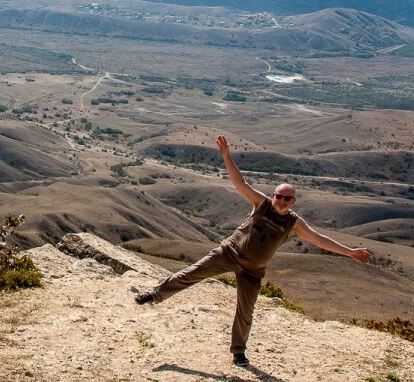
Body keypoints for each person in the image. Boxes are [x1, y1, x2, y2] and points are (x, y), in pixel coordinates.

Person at [135, 135, 373, 367]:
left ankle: (238, 352)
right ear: (273, 196)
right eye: (279, 196)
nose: (281, 201)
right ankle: (154, 294)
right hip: (229, 252)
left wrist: (350, 252)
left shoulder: (294, 223)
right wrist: (227, 157)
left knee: (245, 311)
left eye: (286, 198)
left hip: (253, 270)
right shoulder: (262, 204)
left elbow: (320, 240)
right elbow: (240, 183)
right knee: (191, 273)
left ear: (293, 202)